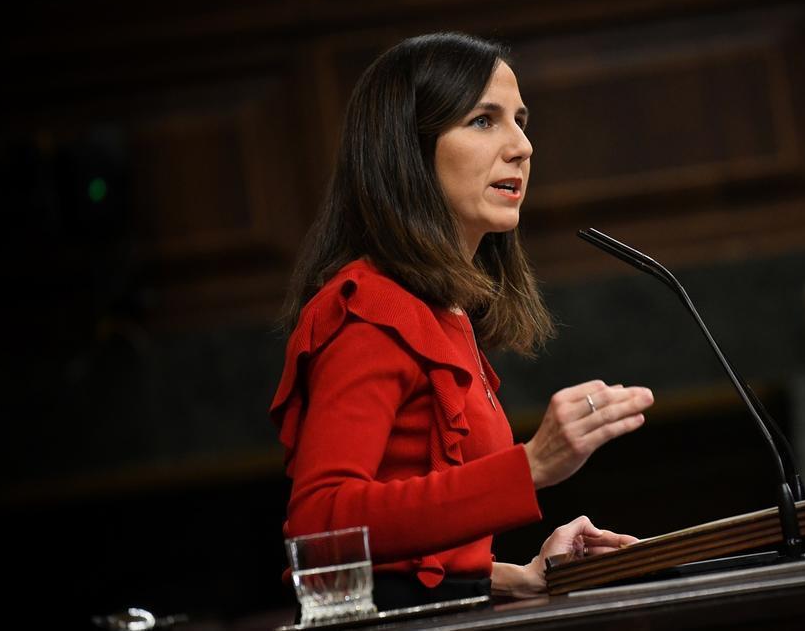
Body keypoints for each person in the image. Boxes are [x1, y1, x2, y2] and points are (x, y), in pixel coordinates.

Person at [268, 31, 655, 607]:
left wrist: (513, 574)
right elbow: (322, 530)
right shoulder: (369, 310)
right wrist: (532, 465)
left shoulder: (442, 312)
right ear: (408, 149)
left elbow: (407, 548)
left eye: (521, 120)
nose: (522, 146)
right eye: (483, 121)